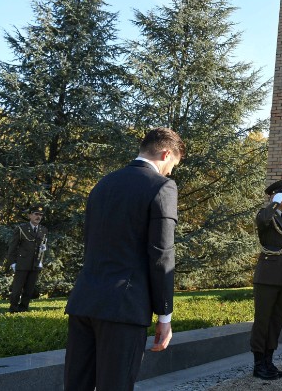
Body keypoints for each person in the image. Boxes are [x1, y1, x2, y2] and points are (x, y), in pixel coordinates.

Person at [64, 127, 185, 391]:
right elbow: (162, 254)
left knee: (76, 385)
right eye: (172, 165)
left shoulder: (104, 183)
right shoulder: (162, 187)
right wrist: (164, 317)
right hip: (124, 307)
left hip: (84, 300)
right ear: (166, 153)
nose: (170, 172)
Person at [251, 179, 282, 381]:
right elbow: (263, 221)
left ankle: (269, 360)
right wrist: (274, 203)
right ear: (274, 196)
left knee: (276, 322)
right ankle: (258, 364)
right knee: (263, 321)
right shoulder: (265, 214)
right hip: (267, 278)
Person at [6, 206, 48, 312]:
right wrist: (12, 263)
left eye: (40, 215)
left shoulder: (43, 230)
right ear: (29, 215)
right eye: (36, 214)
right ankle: (13, 308)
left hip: (35, 263)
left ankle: (23, 308)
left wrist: (44, 248)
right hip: (22, 263)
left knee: (29, 289)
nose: (38, 217)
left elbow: (42, 244)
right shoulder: (21, 229)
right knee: (17, 288)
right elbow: (13, 247)